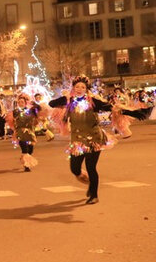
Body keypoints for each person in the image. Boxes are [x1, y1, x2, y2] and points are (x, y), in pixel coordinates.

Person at [48, 75, 147, 204]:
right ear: (73, 88)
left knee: (91, 167)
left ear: (86, 89)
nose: (79, 89)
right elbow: (51, 103)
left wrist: (130, 112)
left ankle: (94, 194)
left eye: (82, 87)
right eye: (77, 86)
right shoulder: (69, 101)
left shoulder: (93, 102)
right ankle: (90, 182)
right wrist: (66, 98)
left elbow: (111, 107)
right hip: (77, 141)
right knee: (74, 168)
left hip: (94, 139)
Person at [6, 93, 40, 172]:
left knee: (30, 149)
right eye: (19, 102)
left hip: (30, 132)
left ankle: (25, 159)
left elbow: (38, 112)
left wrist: (35, 105)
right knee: (24, 149)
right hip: (20, 132)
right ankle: (26, 166)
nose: (20, 103)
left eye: (22, 102)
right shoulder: (16, 111)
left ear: (25, 103)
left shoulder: (30, 111)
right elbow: (13, 119)